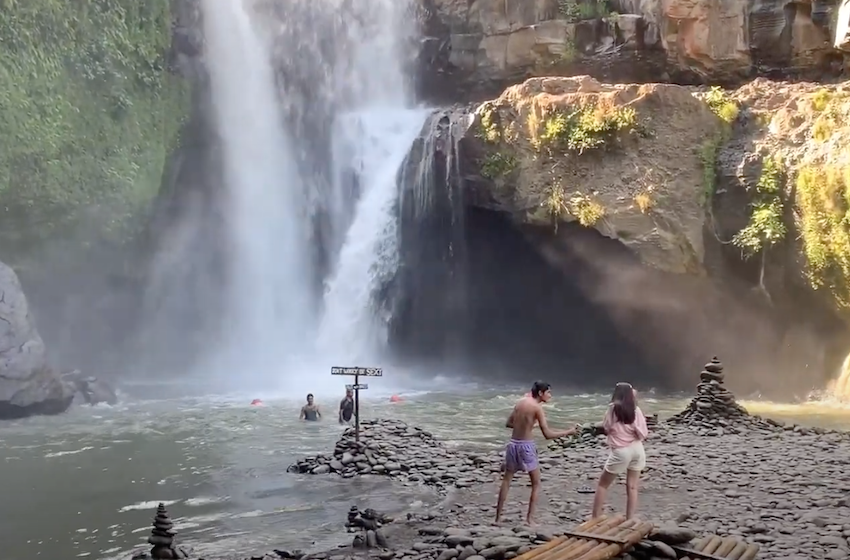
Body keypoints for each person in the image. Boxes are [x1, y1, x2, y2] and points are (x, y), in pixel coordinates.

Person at [495, 381, 580, 525]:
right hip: (526, 446)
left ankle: (497, 519)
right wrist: (569, 432)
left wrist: (528, 425)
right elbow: (547, 434)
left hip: (513, 444)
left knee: (507, 480)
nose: (550, 395)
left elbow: (509, 423)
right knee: (536, 483)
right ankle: (530, 520)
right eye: (548, 392)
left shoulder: (520, 402)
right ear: (541, 393)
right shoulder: (537, 408)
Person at [591, 382, 649, 519]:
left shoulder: (612, 409)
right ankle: (629, 518)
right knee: (633, 486)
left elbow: (607, 427)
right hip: (637, 449)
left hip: (621, 451)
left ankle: (595, 517)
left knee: (603, 485)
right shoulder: (636, 410)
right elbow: (643, 433)